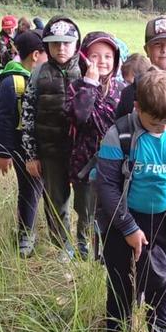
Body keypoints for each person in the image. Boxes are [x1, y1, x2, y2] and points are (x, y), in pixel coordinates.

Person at [94, 72, 166, 332]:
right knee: (121, 281)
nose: (162, 128)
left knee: (165, 282)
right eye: (154, 123)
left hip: (165, 222)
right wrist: (128, 227)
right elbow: (108, 187)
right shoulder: (120, 135)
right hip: (124, 220)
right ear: (138, 107)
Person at [21, 15, 86, 257]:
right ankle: (63, 247)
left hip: (82, 153)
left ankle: (84, 244)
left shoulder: (86, 71)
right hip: (50, 152)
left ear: (76, 44)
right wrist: (31, 155)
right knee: (55, 202)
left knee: (86, 204)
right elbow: (27, 114)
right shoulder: (38, 74)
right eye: (55, 43)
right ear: (47, 45)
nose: (61, 48)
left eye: (66, 43)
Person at [67, 31, 125, 261]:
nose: (102, 61)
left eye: (108, 56)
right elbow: (80, 116)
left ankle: (105, 255)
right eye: (95, 55)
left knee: (110, 211)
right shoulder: (76, 87)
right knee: (86, 212)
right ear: (83, 57)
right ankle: (85, 254)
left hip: (114, 164)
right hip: (83, 163)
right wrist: (90, 83)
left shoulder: (122, 91)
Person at [0, 30, 45, 256]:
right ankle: (25, 234)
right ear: (35, 55)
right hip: (21, 149)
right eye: (46, 53)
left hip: (39, 147)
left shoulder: (41, 77)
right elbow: (3, 119)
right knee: (29, 190)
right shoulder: (13, 82)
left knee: (39, 189)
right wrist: (3, 153)